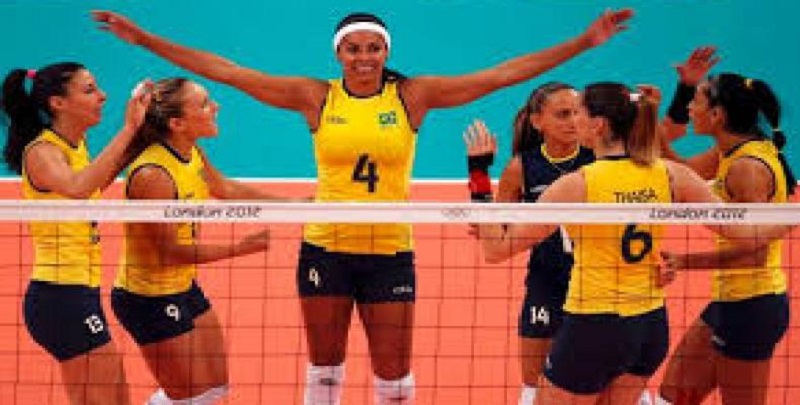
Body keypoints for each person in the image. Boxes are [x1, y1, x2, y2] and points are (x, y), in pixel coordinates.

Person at [92, 8, 633, 404]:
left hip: (389, 251)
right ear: (339, 54)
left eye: (374, 48)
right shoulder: (317, 97)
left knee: (393, 379)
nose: (364, 57)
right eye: (354, 49)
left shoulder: (412, 96)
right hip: (325, 249)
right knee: (324, 373)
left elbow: (502, 74)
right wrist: (144, 40)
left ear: (386, 52)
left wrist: (585, 42)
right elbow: (227, 72)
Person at [476, 82, 790, 405]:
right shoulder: (671, 175)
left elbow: (496, 249)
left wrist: (480, 182)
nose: (573, 120)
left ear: (598, 125)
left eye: (578, 112)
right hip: (649, 329)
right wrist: (792, 218)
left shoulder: (576, 185)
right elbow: (747, 232)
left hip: (593, 325)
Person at [110, 77, 277, 404]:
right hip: (148, 299)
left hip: (183, 287)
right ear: (177, 123)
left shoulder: (189, 152)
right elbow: (170, 251)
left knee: (214, 389)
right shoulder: (153, 175)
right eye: (204, 104)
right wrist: (242, 248)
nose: (216, 107)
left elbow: (226, 188)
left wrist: (299, 205)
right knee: (190, 399)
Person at [0, 62, 150, 405]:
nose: (103, 96)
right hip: (59, 297)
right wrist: (128, 128)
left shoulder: (75, 145)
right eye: (89, 90)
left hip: (81, 293)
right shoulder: (43, 152)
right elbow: (78, 187)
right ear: (58, 103)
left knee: (117, 398)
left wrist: (143, 129)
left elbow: (95, 180)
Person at [655, 70, 795, 405]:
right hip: (728, 302)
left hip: (752, 306)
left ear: (717, 114)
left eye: (696, 102)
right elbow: (678, 171)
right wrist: (651, 116)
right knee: (673, 396)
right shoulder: (731, 151)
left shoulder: (747, 168)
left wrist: (685, 262)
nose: (690, 109)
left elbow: (754, 254)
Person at [462, 82, 594, 405]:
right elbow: (497, 228)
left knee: (608, 384)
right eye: (562, 114)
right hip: (546, 283)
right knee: (534, 386)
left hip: (596, 282)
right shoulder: (522, 167)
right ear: (537, 122)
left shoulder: (598, 159)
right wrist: (479, 170)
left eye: (577, 112)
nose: (573, 121)